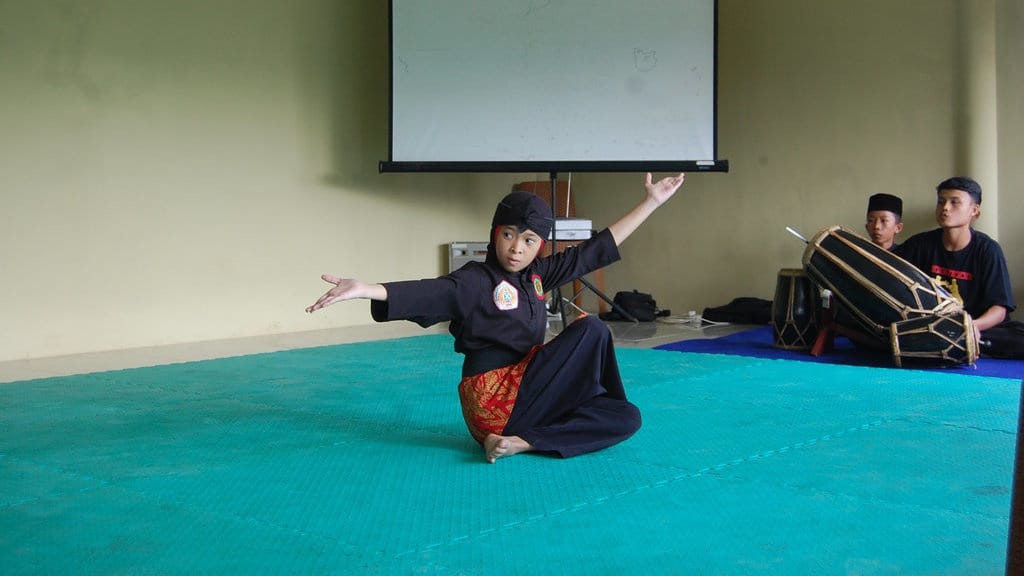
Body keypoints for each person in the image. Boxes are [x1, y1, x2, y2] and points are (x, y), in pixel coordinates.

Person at [306, 173, 687, 462]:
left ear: (539, 245)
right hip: (492, 400)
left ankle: (521, 442)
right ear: (495, 233)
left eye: (529, 241)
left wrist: (651, 202)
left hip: (525, 397)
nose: (516, 248)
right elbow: (430, 291)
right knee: (591, 328)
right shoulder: (475, 280)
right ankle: (510, 432)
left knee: (625, 416)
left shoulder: (536, 276)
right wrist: (368, 289)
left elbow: (593, 251)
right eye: (509, 235)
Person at [896, 176, 1023, 359]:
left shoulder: (988, 249)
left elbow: (1000, 309)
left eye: (954, 202)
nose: (945, 208)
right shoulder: (919, 244)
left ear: (974, 211)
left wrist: (972, 326)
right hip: (932, 325)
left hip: (977, 325)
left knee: (1018, 338)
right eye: (941, 202)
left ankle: (958, 342)